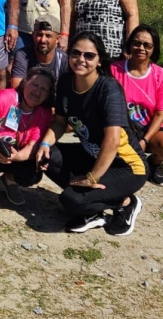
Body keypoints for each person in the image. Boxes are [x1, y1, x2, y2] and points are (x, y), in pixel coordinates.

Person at [36, 32, 148, 236]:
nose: (81, 59)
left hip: (126, 166)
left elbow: (113, 141)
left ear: (99, 61)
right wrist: (44, 144)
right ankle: (94, 208)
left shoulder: (108, 88)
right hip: (93, 155)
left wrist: (91, 178)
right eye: (76, 53)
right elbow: (60, 122)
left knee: (70, 201)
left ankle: (126, 202)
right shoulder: (66, 82)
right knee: (46, 157)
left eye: (89, 56)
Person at [110, 25, 163, 186]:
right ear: (129, 45)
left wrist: (145, 140)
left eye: (147, 45)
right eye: (136, 43)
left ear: (154, 49)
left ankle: (154, 163)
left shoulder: (161, 76)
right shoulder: (113, 70)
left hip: (148, 129)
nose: (141, 48)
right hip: (119, 128)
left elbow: (161, 113)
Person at [0, 68, 56, 205]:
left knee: (33, 173)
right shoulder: (2, 99)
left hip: (15, 152)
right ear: (25, 83)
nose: (38, 91)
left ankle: (9, 180)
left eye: (44, 89)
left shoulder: (44, 113)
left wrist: (17, 157)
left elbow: (33, 144)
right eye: (35, 85)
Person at [9, 15, 69, 89]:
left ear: (57, 39)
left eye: (48, 36)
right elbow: (17, 88)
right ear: (33, 35)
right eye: (39, 35)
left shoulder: (63, 59)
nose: (43, 40)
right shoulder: (22, 55)